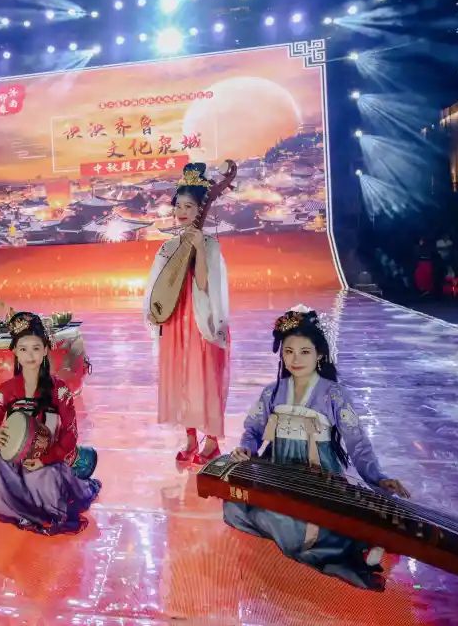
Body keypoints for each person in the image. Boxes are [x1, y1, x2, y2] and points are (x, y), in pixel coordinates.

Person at [223, 306, 411, 589]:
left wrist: (377, 477)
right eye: (289, 351)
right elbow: (253, 431)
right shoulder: (273, 391)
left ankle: (344, 545)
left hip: (318, 476)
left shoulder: (333, 394)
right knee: (233, 505)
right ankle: (337, 541)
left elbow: (357, 442)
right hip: (279, 471)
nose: (295, 359)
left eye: (304, 352)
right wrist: (247, 449)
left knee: (294, 529)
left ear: (320, 354)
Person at [0, 311, 101, 534]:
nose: (30, 355)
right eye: (23, 349)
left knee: (43, 479)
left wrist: (44, 459)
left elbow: (70, 435)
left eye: (36, 348)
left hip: (45, 460)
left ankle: (37, 503)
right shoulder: (7, 390)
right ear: (15, 352)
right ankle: (15, 508)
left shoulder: (59, 390)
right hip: (14, 460)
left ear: (46, 350)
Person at [143, 162, 230, 465]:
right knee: (182, 380)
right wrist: (154, 312)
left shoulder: (210, 245)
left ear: (201, 209)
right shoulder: (168, 247)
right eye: (178, 205)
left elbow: (205, 284)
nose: (182, 211)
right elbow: (156, 289)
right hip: (175, 321)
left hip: (200, 322)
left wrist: (200, 250)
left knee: (204, 381)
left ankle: (212, 442)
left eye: (189, 206)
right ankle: (191, 438)